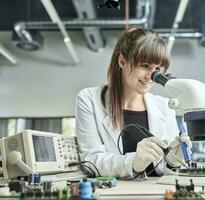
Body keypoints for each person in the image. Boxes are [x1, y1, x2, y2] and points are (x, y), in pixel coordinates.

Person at [75, 27, 192, 179]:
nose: (151, 76)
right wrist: (134, 162)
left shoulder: (164, 106)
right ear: (122, 61)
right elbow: (91, 160)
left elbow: (162, 168)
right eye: (144, 66)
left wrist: (173, 161)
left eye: (158, 69)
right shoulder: (89, 99)